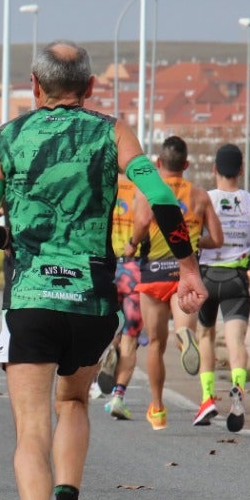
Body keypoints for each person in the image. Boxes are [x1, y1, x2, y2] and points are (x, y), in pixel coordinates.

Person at [0, 40, 205, 500]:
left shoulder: (8, 137)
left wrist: (14, 243)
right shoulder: (113, 132)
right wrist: (188, 266)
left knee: (30, 427)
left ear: (34, 85)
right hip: (91, 300)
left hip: (30, 299)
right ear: (91, 87)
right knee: (73, 404)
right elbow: (162, 198)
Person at [126, 135, 219, 430]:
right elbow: (218, 239)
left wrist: (131, 244)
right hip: (183, 272)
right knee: (183, 327)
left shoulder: (148, 192)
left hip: (153, 271)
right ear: (186, 164)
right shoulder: (200, 195)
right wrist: (193, 241)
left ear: (158, 163)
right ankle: (184, 337)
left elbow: (141, 223)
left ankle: (157, 407)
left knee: (154, 343)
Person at [193, 143, 250, 430]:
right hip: (237, 280)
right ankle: (238, 388)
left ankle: (207, 399)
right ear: (241, 170)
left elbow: (190, 237)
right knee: (236, 342)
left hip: (206, 277)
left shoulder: (204, 199)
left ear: (214, 169)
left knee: (205, 336)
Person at [101, 164, 144, 420]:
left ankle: (101, 363)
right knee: (131, 335)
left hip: (104, 267)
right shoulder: (140, 190)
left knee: (99, 327)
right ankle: (118, 396)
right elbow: (146, 222)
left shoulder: (99, 185)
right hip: (135, 270)